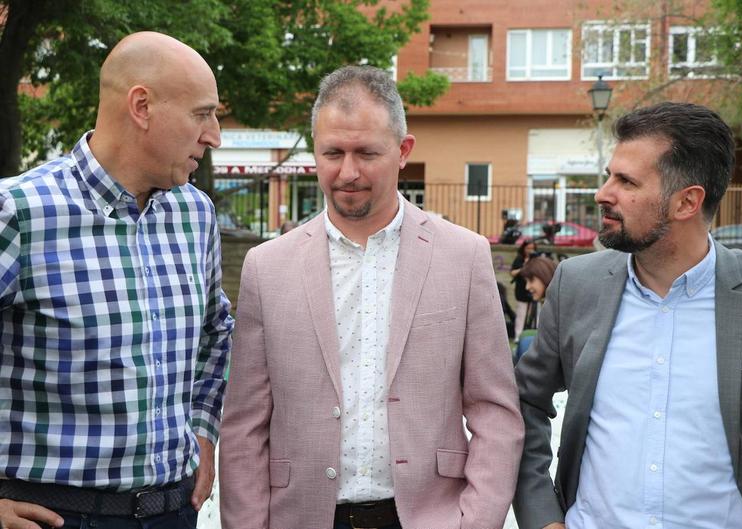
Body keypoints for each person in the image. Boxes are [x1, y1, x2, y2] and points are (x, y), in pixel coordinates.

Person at [219, 65, 524, 529]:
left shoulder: (464, 256)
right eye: (332, 153)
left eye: (366, 153)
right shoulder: (267, 266)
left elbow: (495, 411)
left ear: (403, 151)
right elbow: (244, 426)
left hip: (428, 518)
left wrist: (477, 520)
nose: (348, 171)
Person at [0, 32, 234, 529]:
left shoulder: (196, 214)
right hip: (52, 514)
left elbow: (217, 332)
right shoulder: (19, 211)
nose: (214, 136)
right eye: (202, 114)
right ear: (142, 106)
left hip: (173, 512)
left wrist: (203, 432)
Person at [513, 102, 742, 529]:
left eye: (626, 181)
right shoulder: (576, 284)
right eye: (610, 175)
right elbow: (522, 401)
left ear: (686, 202)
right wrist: (543, 518)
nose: (603, 193)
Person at [510, 239, 537, 339]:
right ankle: (518, 336)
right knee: (521, 314)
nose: (530, 250)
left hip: (534, 290)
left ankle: (535, 335)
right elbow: (512, 272)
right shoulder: (519, 259)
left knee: (536, 314)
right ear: (523, 248)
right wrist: (524, 266)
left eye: (532, 248)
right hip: (521, 289)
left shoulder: (536, 259)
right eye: (528, 248)